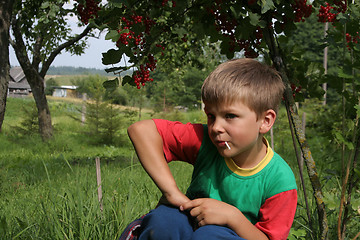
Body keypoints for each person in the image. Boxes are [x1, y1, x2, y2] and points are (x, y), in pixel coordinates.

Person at [123, 58, 298, 240]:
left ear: (265, 121)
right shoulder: (206, 141)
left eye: (230, 116)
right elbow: (141, 130)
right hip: (188, 222)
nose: (216, 127)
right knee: (164, 220)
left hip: (231, 235)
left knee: (211, 235)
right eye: (211, 116)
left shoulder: (280, 180)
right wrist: (171, 193)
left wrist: (233, 218)